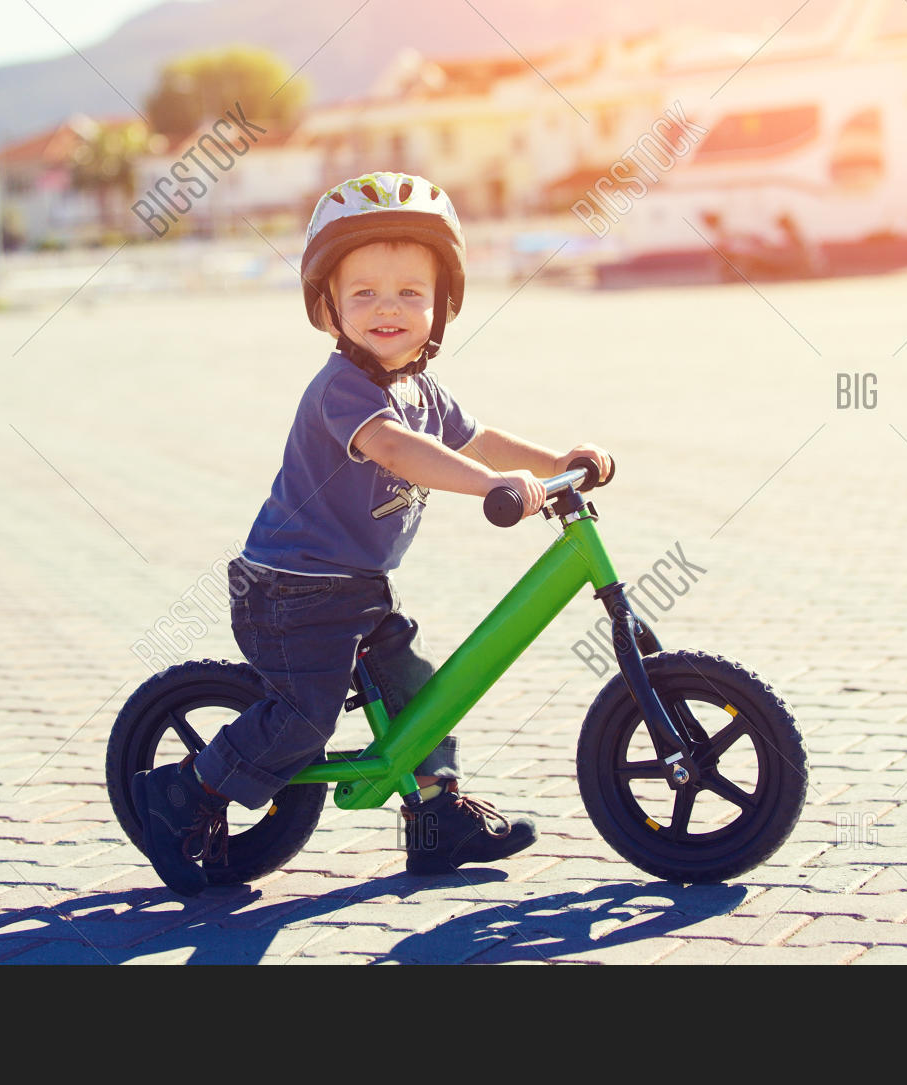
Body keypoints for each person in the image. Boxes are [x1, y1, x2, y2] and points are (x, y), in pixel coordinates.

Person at [132, 171, 613, 895]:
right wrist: (489, 489)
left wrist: (557, 463)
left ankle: (437, 816)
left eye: (410, 294)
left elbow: (481, 438)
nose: (388, 309)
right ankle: (182, 795)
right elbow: (395, 448)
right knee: (303, 718)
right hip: (289, 592)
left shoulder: (421, 387)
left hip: (356, 588)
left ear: (441, 305)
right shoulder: (344, 389)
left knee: (423, 693)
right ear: (329, 308)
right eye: (364, 294)